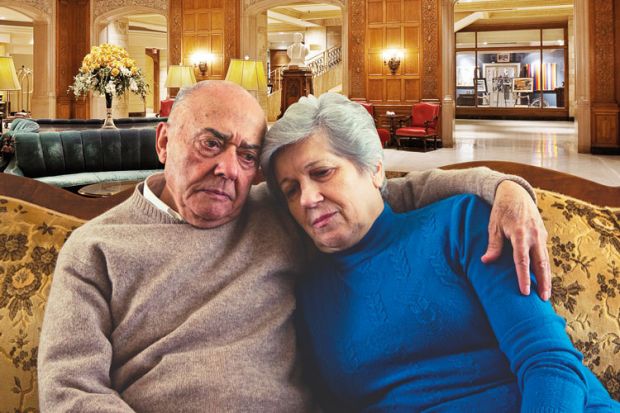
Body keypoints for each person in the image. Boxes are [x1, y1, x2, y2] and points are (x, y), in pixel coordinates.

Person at [39, 81, 549, 411]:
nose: (227, 169)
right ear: (164, 142)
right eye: (210, 143)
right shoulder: (96, 248)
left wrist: (503, 187)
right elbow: (70, 390)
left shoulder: (279, 210)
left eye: (247, 156)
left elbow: (382, 193)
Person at [260, 92, 619, 412]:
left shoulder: (462, 224)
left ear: (374, 168)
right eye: (291, 190)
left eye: (322, 172)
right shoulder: (307, 292)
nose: (307, 198)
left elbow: (548, 362)